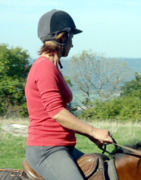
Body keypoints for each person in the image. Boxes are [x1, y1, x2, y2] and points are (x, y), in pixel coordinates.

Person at [25, 9, 114, 180]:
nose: (72, 44)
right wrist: (94, 131)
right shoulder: (44, 68)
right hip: (47, 149)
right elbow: (57, 113)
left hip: (63, 147)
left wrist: (90, 136)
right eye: (71, 38)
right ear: (62, 37)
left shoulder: (52, 67)